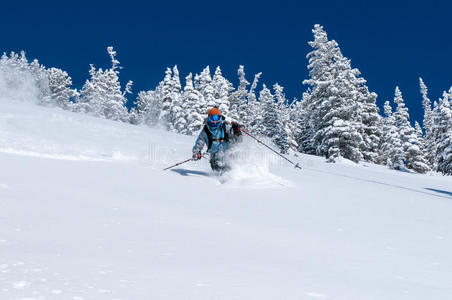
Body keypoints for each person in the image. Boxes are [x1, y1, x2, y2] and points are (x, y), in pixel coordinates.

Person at [192, 107, 242, 172]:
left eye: (217, 118)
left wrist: (237, 132)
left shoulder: (225, 126)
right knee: (220, 171)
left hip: (228, 154)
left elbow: (239, 140)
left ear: (220, 117)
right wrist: (196, 152)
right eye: (213, 118)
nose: (215, 121)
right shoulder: (206, 130)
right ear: (209, 118)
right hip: (215, 158)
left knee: (232, 169)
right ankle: (221, 180)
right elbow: (200, 141)